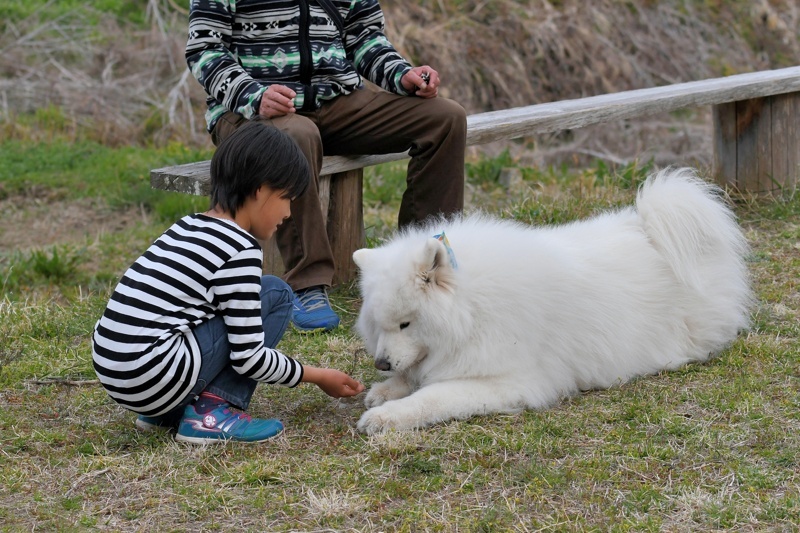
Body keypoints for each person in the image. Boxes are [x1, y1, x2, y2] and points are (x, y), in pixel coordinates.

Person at [186, 0, 468, 333]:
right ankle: (306, 283)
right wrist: (254, 95)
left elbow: (365, 38)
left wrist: (401, 75)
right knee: (296, 135)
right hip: (251, 111)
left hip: (338, 102)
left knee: (445, 118)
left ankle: (424, 264)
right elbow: (205, 50)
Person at [92, 122, 365, 444]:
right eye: (287, 198)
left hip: (119, 376)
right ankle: (213, 412)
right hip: (154, 376)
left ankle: (168, 411)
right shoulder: (239, 248)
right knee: (275, 293)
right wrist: (318, 375)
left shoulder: (188, 226)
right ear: (261, 190)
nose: (289, 212)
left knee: (226, 307)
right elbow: (248, 357)